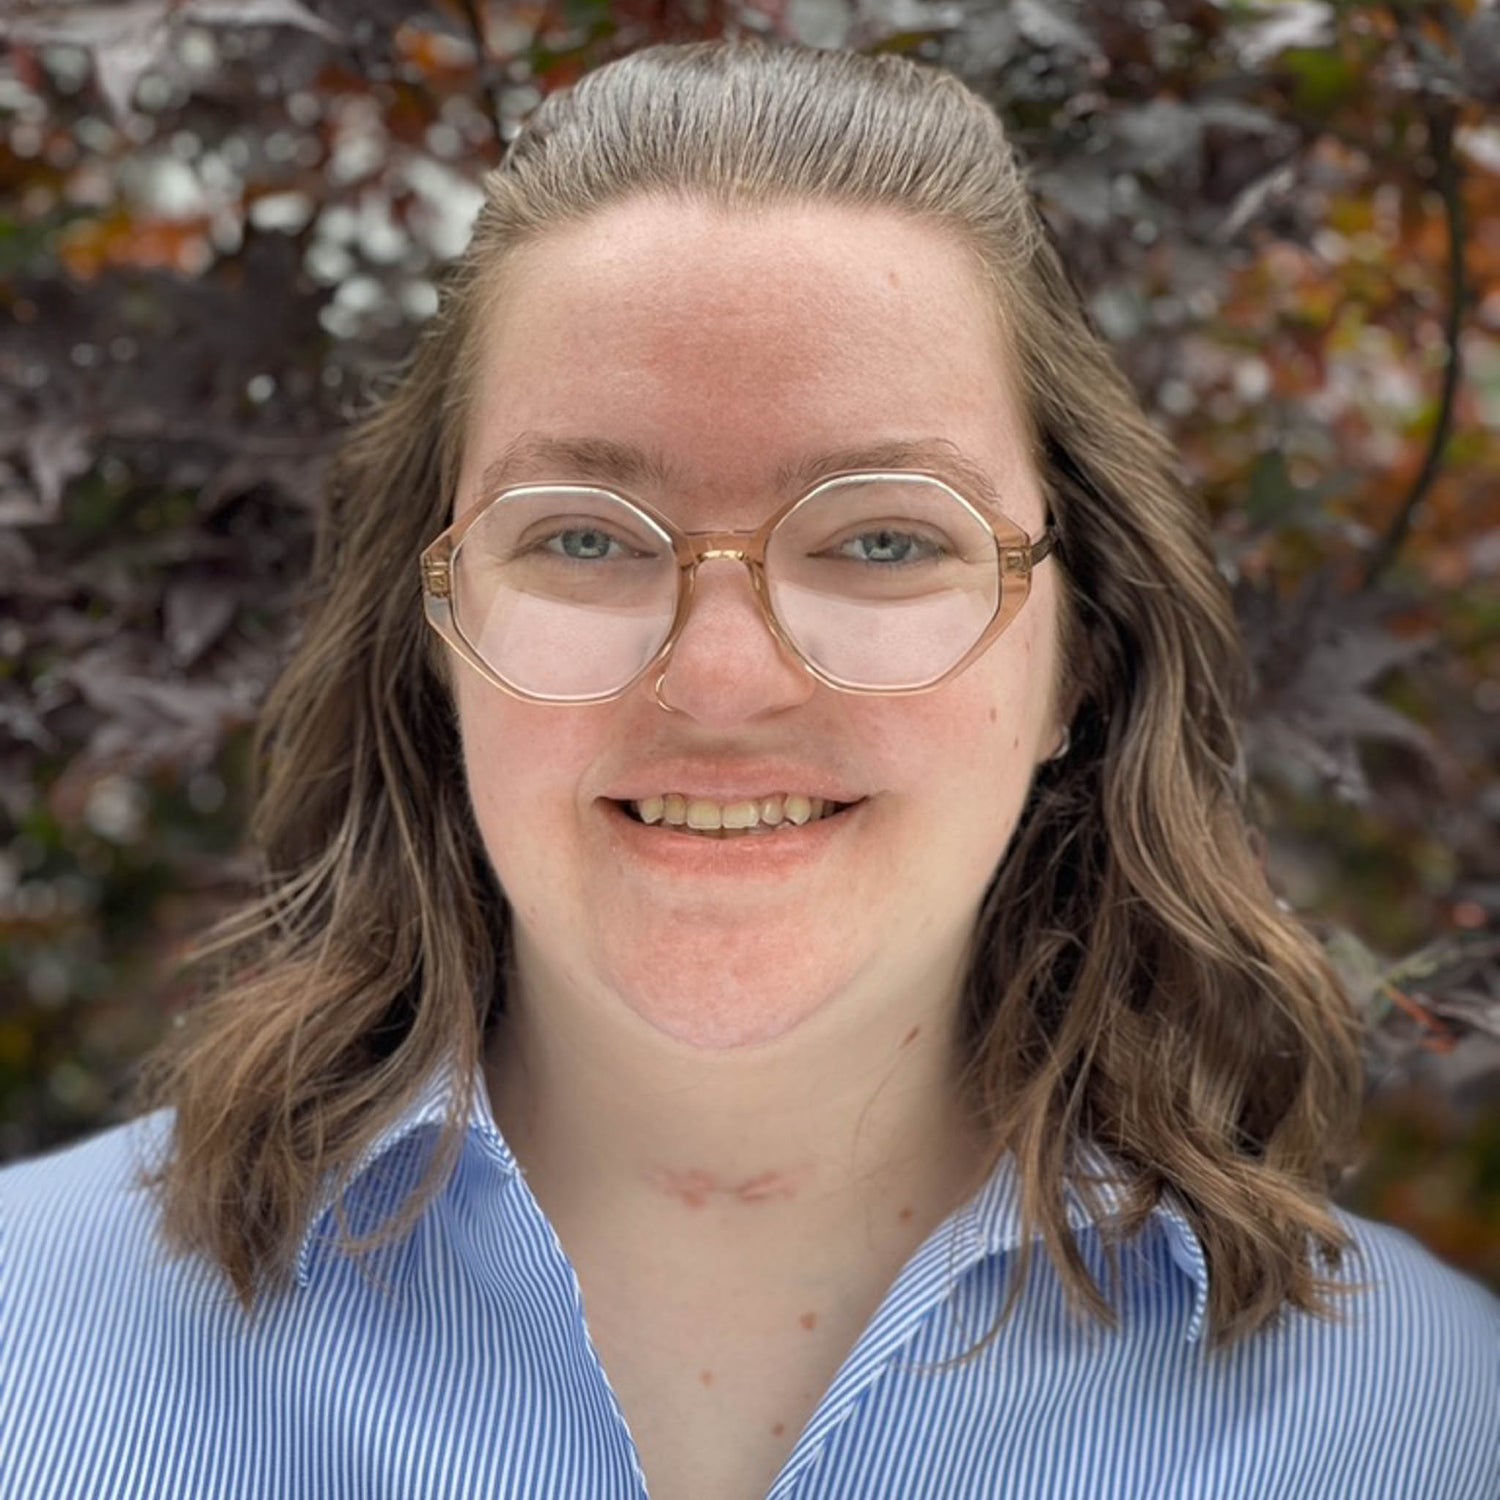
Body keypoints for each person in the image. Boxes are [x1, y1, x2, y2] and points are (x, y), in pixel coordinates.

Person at [1, 40, 1495, 1500]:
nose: (720, 681)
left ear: (1080, 654)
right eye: (581, 535)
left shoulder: (1430, 1421)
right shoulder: (27, 1348)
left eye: (884, 538)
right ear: (433, 635)